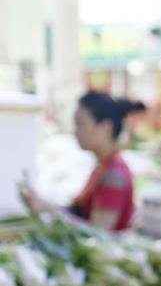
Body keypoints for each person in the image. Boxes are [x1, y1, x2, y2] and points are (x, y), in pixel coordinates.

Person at [19, 91, 144, 232]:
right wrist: (44, 205)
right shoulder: (103, 167)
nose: (76, 131)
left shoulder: (113, 176)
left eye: (81, 124)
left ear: (105, 128)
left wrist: (49, 208)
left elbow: (98, 234)